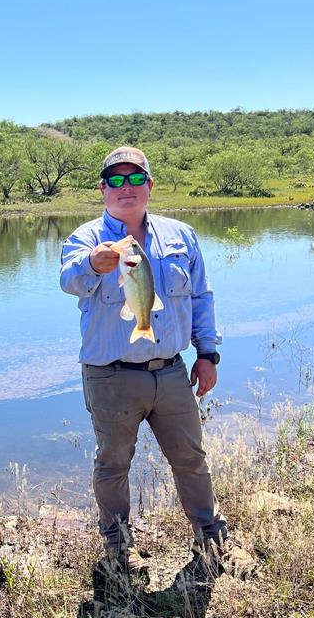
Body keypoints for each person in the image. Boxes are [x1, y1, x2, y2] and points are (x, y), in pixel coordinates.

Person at [59, 146, 251, 582]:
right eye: (116, 180)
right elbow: (69, 280)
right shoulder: (86, 238)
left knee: (190, 458)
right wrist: (93, 264)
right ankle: (118, 548)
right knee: (112, 465)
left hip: (171, 371)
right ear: (103, 189)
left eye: (135, 179)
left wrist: (207, 354)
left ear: (149, 185)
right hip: (111, 377)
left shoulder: (181, 235)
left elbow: (202, 297)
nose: (126, 188)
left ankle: (211, 535)